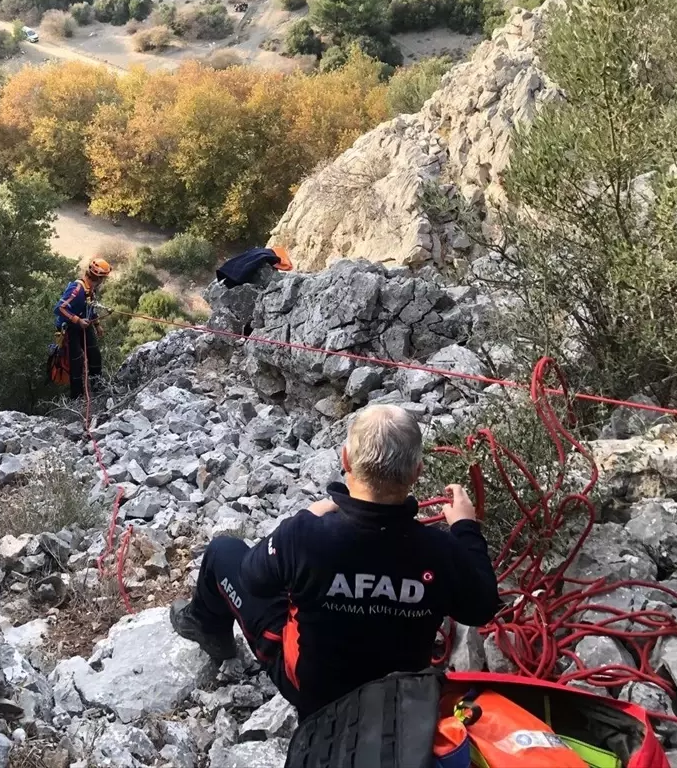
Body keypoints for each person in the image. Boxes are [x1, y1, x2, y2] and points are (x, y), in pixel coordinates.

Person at [170, 404, 501, 720]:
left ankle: (207, 627)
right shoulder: (440, 550)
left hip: (310, 691)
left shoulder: (306, 534)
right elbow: (482, 606)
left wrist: (300, 521)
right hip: (395, 694)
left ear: (346, 460)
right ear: (417, 472)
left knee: (222, 552)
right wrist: (465, 527)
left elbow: (252, 578)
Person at [55, 257, 111, 399]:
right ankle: (77, 397)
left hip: (85, 325)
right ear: (98, 277)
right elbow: (59, 308)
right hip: (71, 329)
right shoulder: (77, 289)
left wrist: (97, 325)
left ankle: (98, 388)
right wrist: (77, 320)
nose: (104, 281)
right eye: (103, 278)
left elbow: (90, 308)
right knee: (76, 362)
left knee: (95, 356)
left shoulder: (90, 289)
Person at [215, 246, 293, 288]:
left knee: (241, 264)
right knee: (245, 266)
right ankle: (229, 278)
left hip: (257, 255)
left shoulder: (264, 251)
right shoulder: (271, 254)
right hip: (262, 255)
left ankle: (227, 276)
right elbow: (287, 265)